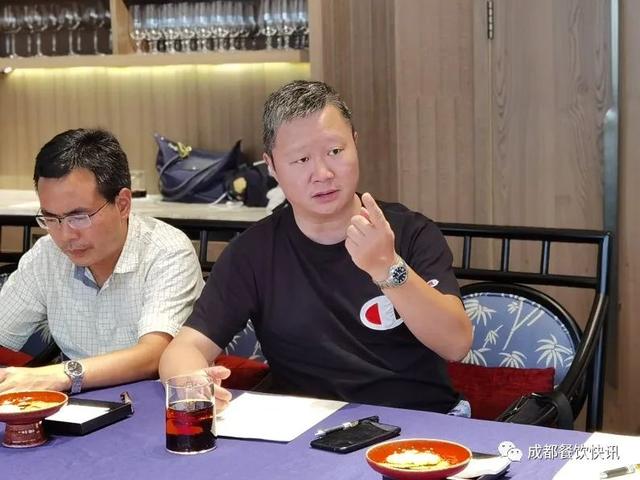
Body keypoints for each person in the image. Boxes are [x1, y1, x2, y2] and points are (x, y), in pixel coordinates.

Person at [159, 80, 472, 415]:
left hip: (418, 422)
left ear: (355, 144)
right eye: (301, 159)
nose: (322, 173)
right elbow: (184, 348)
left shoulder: (409, 233)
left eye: (335, 152)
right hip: (305, 428)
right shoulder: (253, 252)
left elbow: (455, 344)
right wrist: (193, 382)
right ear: (271, 166)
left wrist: (387, 266)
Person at [0, 129, 204, 394]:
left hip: (157, 401)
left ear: (123, 204)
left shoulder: (167, 251)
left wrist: (61, 375)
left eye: (79, 217)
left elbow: (155, 354)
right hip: (77, 405)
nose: (65, 235)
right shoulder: (47, 254)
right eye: (51, 218)